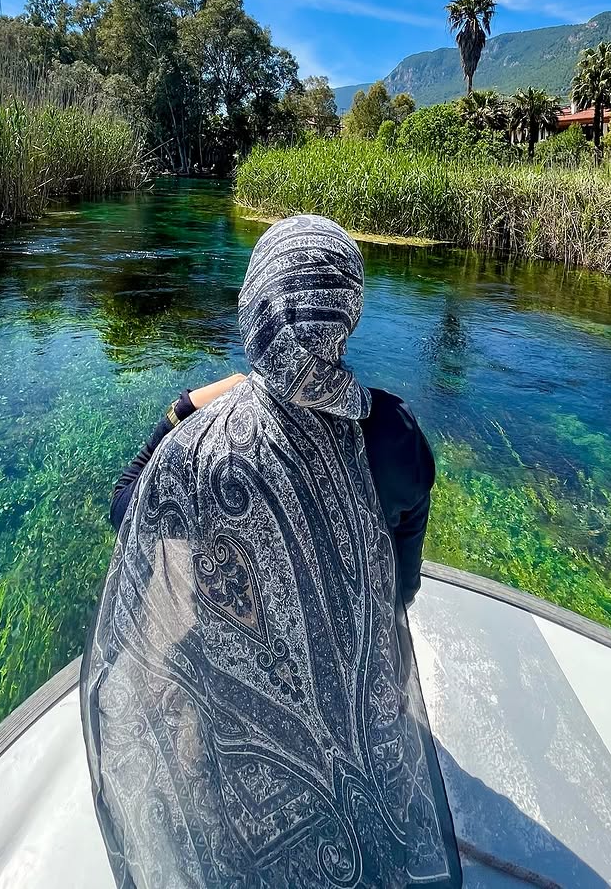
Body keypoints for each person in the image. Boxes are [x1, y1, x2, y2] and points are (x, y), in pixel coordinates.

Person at [83, 214, 462, 888]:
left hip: (234, 718)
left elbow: (127, 513)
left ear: (256, 307)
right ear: (347, 311)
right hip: (358, 709)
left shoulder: (200, 445)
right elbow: (399, 591)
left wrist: (181, 407)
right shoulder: (397, 434)